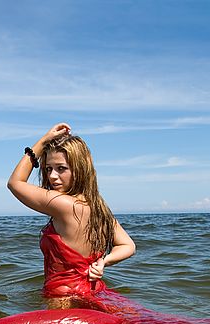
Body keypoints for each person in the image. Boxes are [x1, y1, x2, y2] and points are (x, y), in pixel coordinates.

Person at [7, 123, 136, 306]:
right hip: (94, 294)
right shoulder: (98, 207)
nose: (52, 176)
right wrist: (103, 262)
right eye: (48, 169)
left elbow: (15, 183)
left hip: (63, 300)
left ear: (80, 169)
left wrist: (43, 142)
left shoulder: (64, 204)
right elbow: (128, 245)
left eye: (61, 168)